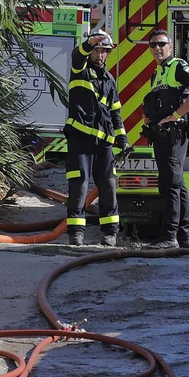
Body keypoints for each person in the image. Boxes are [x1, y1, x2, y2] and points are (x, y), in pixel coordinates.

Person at [141, 26, 189, 249]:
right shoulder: (158, 73)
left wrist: (176, 115)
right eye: (153, 45)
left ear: (170, 46)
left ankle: (169, 237)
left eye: (162, 44)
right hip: (162, 135)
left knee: (169, 184)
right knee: (178, 184)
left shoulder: (177, 66)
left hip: (174, 135)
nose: (157, 48)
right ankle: (185, 236)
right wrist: (150, 117)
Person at [62, 29, 125, 246]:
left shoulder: (109, 79)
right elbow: (77, 55)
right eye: (96, 50)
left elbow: (115, 112)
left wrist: (122, 138)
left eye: (103, 51)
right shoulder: (80, 70)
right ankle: (76, 233)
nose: (99, 55)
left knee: (108, 187)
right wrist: (89, 43)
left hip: (104, 144)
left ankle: (110, 233)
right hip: (80, 140)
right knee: (79, 185)